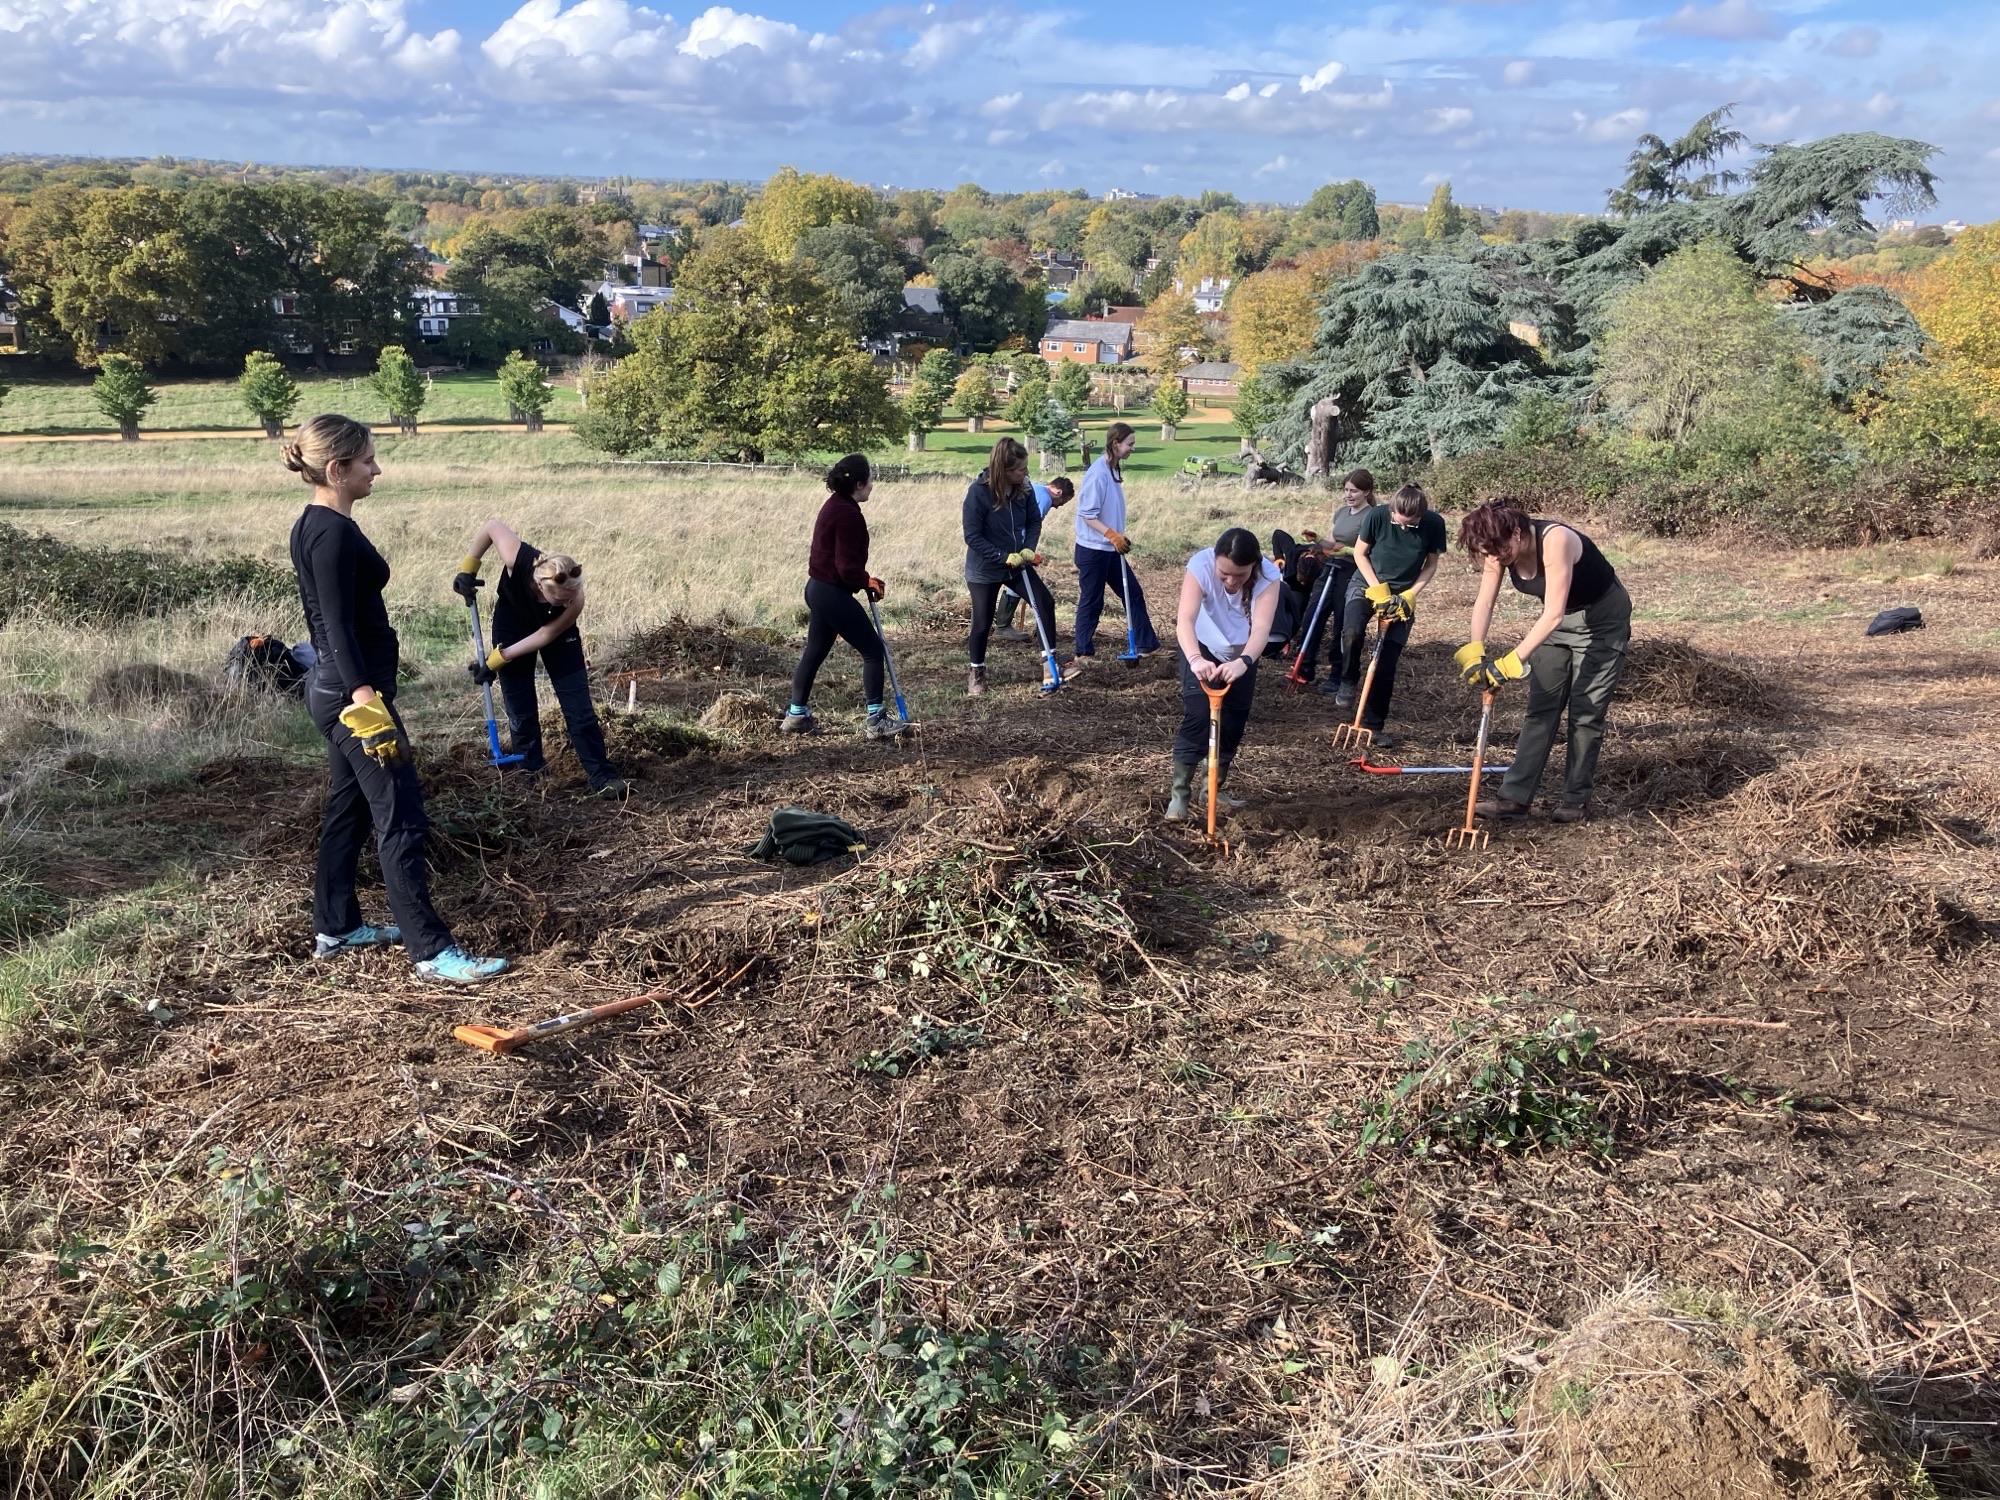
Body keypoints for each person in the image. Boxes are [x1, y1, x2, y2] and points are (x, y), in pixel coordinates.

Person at [285, 415, 507, 986]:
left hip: (340, 688)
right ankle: (432, 952)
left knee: (350, 808)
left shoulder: (313, 523)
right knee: (400, 813)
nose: (377, 469)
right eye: (367, 461)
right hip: (350, 695)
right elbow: (333, 624)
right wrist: (365, 701)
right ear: (337, 469)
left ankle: (336, 927)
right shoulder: (330, 532)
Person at [1454, 498, 1631, 823]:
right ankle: (1514, 798)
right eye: (1487, 550)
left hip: (1602, 619)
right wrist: (1476, 651)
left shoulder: (1556, 540)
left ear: (1518, 532)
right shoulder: (1498, 549)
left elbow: (1552, 614)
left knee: (1585, 712)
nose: (1494, 556)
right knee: (1541, 707)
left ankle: (1575, 800)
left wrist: (1508, 663)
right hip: (1558, 623)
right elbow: (1484, 602)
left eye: (1499, 548)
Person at [455, 520, 628, 795]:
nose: (569, 603)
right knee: (520, 710)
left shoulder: (575, 598)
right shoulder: (519, 559)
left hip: (558, 635)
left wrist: (497, 660)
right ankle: (532, 778)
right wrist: (468, 567)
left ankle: (602, 777)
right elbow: (491, 527)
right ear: (542, 586)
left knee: (579, 708)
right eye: (561, 600)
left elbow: (546, 635)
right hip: (511, 622)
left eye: (572, 597)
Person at [772, 454, 905, 740]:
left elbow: (840, 563)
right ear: (859, 483)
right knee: (873, 649)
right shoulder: (847, 514)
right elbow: (846, 567)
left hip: (818, 589)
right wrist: (864, 581)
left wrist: (862, 579)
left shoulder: (836, 505)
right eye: (870, 479)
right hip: (831, 593)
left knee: (815, 650)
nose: (873, 484)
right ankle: (876, 719)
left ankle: (796, 715)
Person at [1165, 527, 1282, 821]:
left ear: (1253, 566)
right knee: (1198, 716)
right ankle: (1180, 794)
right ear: (1214, 562)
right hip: (1201, 646)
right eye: (1224, 574)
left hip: (1244, 652)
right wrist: (1194, 658)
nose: (1231, 581)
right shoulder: (1200, 566)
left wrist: (1243, 661)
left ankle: (1212, 790)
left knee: (1233, 720)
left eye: (1239, 576)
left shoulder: (1268, 576)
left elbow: (1261, 630)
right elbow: (1185, 621)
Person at [1348, 481, 1447, 750]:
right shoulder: (1377, 515)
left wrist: (1410, 595)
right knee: (1352, 631)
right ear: (1392, 510)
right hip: (1366, 583)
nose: (1403, 527)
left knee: (1386, 663)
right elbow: (1359, 553)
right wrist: (1377, 589)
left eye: (1410, 524)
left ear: (1421, 517)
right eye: (1399, 521)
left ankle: (1374, 725)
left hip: (1402, 594)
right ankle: (1347, 679)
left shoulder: (1434, 524)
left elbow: (1431, 565)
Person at [963, 437, 1062, 696]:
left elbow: (1034, 521)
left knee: (1044, 602)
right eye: (1020, 469)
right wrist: (1001, 555)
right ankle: (977, 671)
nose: (1025, 473)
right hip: (984, 567)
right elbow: (972, 537)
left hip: (1017, 563)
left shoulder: (1024, 489)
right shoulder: (978, 493)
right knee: (983, 622)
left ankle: (1049, 664)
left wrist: (1028, 547)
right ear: (1004, 471)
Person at [1068, 422, 1160, 672]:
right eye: (1129, 444)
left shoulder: (1112, 469)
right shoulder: (1098, 474)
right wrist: (1111, 535)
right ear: (1115, 443)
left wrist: (1116, 537)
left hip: (1110, 548)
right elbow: (1087, 514)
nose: (1132, 449)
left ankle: (1146, 645)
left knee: (1133, 594)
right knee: (1092, 600)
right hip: (1093, 550)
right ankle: (1083, 652)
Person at [1314, 468, 1378, 702]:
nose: (1348, 495)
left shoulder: (1371, 516)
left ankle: (1338, 675)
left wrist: (1347, 550)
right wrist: (1316, 541)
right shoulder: (1341, 512)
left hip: (1352, 571)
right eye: (1346, 490)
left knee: (1343, 623)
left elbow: (1367, 549)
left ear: (1366, 491)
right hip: (1331, 566)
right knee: (1315, 614)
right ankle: (1305, 667)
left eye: (1354, 491)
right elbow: (1331, 542)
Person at [999, 475, 1074, 640]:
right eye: (1061, 502)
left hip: (1003, 543)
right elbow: (1028, 525)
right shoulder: (1045, 498)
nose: (1058, 507)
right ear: (1058, 491)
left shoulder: (1037, 488)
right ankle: (1006, 628)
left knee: (992, 586)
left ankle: (1000, 626)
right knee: (1028, 587)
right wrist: (1025, 552)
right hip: (1014, 548)